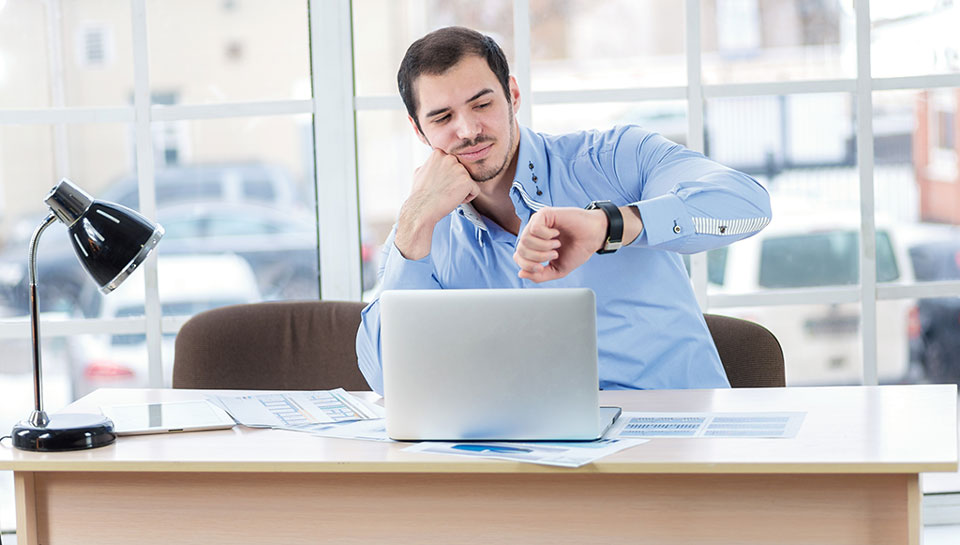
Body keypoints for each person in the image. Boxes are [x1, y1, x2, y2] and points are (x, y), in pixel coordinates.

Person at [356, 26, 771, 395]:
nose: (468, 130)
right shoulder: (425, 227)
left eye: (482, 104)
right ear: (418, 129)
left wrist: (609, 224)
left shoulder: (612, 158)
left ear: (513, 96)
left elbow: (748, 205)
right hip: (528, 458)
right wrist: (414, 221)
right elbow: (386, 379)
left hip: (672, 444)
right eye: (443, 117)